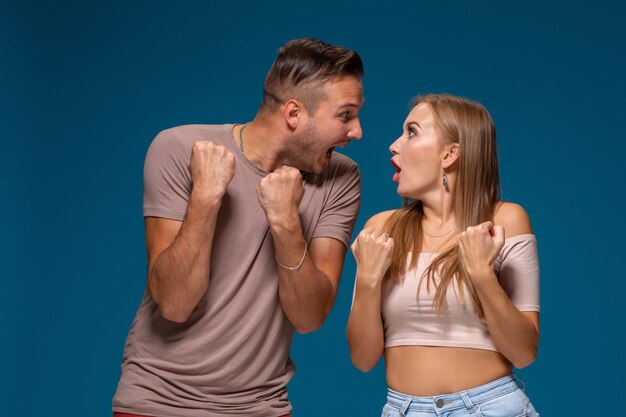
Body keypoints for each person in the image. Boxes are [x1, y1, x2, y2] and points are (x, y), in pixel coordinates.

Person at [112, 38, 364, 417]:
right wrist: (206, 198)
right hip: (158, 402)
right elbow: (175, 304)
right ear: (294, 113)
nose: (357, 131)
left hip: (261, 407)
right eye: (345, 115)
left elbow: (309, 317)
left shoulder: (340, 178)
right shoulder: (179, 149)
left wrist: (285, 221)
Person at [347, 94, 540, 417]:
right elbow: (363, 360)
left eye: (411, 132)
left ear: (450, 154)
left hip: (490, 408)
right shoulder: (381, 228)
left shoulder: (504, 221)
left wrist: (481, 274)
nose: (394, 146)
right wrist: (367, 280)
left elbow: (523, 352)